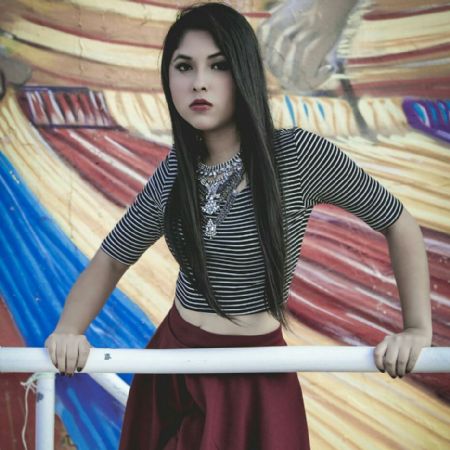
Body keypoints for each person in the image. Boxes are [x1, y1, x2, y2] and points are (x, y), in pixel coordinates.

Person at [45, 2, 433, 449]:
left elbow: (397, 221)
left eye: (219, 65)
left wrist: (416, 329)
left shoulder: (297, 156)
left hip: (255, 376)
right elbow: (113, 257)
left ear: (244, 71)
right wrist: (69, 330)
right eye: (184, 67)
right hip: (173, 368)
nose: (199, 82)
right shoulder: (175, 171)